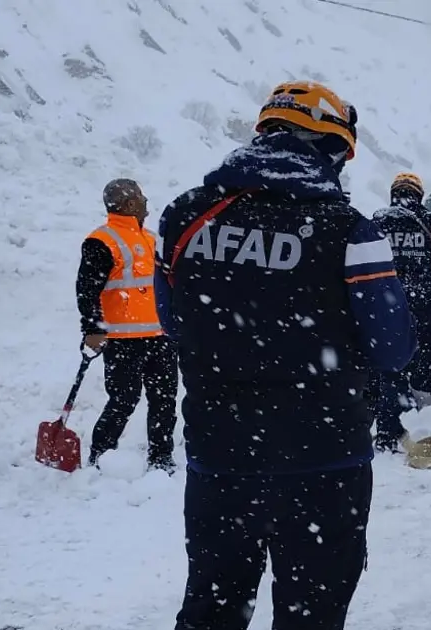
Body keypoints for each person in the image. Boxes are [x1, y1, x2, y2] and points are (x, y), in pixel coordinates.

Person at [155, 80, 416, 630]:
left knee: (212, 609)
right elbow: (393, 350)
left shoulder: (183, 217)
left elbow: (173, 323)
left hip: (219, 457)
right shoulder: (350, 231)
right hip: (325, 459)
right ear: (324, 145)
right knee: (312, 615)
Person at [76, 178, 178, 472]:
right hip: (123, 339)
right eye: (141, 197)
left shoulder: (151, 238)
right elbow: (87, 288)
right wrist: (93, 328)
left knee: (164, 399)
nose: (146, 201)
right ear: (130, 204)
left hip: (160, 335)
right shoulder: (102, 241)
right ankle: (100, 455)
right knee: (124, 399)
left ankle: (161, 457)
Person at [370, 171, 431, 450]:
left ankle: (389, 433)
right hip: (428, 305)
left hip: (389, 306)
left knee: (392, 371)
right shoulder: (430, 222)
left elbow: (362, 265)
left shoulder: (376, 222)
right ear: (418, 195)